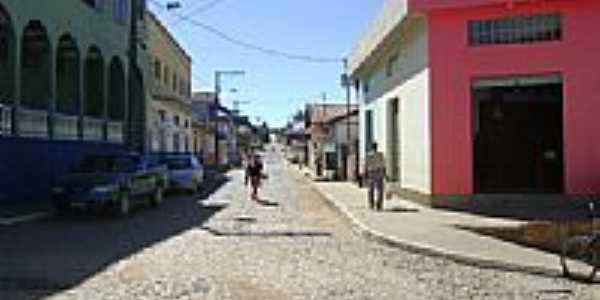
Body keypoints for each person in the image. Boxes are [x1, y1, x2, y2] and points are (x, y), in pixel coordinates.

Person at [366, 143, 385, 211]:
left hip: (371, 173)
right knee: (380, 189)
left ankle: (371, 204)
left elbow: (366, 165)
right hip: (379, 172)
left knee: (371, 189)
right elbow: (383, 165)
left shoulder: (368, 155)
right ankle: (379, 205)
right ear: (376, 147)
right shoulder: (380, 155)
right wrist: (384, 173)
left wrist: (365, 174)